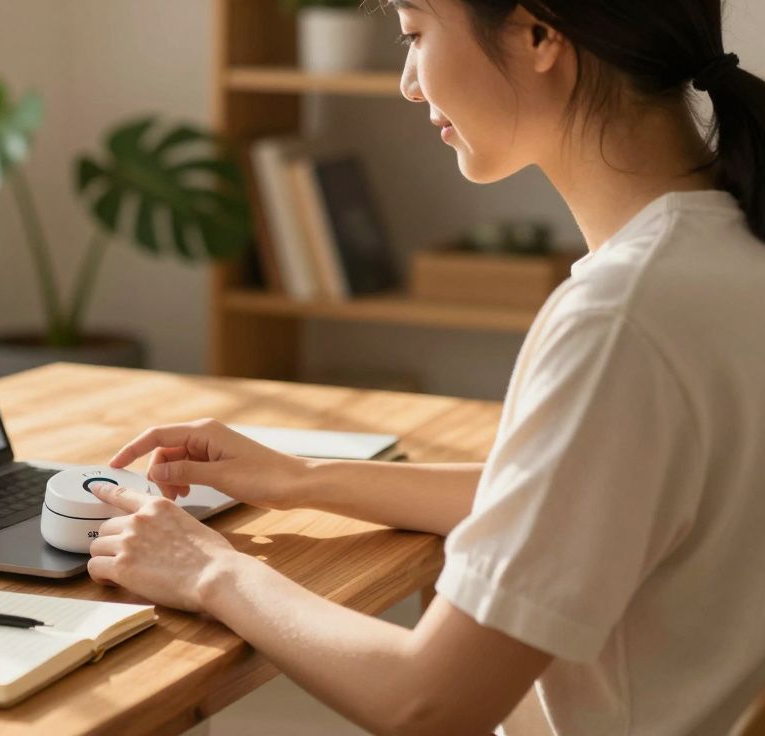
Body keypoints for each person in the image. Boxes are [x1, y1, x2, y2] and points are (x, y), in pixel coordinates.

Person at [84, 0, 765, 733]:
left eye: (415, 33)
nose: (409, 82)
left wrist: (208, 568)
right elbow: (585, 496)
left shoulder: (621, 320)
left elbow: (430, 703)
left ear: (538, 34)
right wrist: (302, 480)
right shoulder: (725, 253)